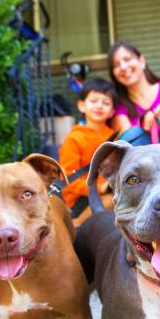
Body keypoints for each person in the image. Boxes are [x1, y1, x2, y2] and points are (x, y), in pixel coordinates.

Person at [59, 78, 115, 227]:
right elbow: (67, 179)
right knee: (112, 200)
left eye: (106, 103)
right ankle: (76, 225)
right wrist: (99, 188)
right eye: (94, 101)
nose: (99, 106)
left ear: (112, 112)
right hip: (81, 199)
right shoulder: (74, 138)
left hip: (109, 192)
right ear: (81, 105)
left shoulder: (115, 136)